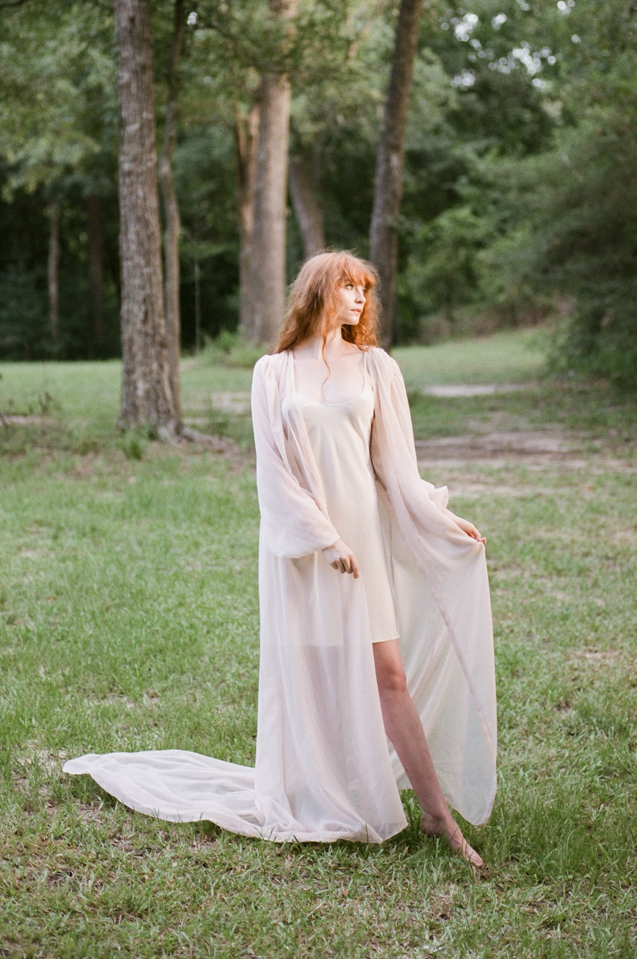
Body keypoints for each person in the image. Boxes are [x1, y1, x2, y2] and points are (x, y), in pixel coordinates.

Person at [65, 251, 497, 867]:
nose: (360, 299)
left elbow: (395, 465)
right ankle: (320, 790)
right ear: (319, 291)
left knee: (388, 676)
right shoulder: (272, 374)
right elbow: (276, 475)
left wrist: (439, 514)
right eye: (349, 287)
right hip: (306, 548)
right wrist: (324, 538)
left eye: (364, 290)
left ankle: (436, 816)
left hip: (364, 541)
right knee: (318, 676)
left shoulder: (376, 368)